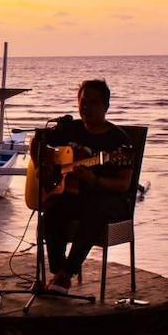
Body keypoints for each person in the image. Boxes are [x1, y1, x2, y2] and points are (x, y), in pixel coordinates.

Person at [35, 79, 133, 294]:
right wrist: (45, 166)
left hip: (108, 199)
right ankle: (58, 272)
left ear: (106, 106)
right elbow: (38, 140)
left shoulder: (118, 141)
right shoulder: (70, 129)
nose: (86, 107)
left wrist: (94, 180)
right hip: (72, 194)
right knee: (52, 213)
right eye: (83, 101)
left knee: (95, 211)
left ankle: (66, 274)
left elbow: (123, 184)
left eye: (93, 102)